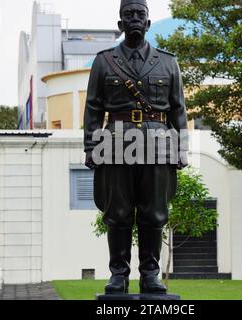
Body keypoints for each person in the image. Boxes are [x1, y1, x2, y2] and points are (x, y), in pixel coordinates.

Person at [83, 0, 188, 294]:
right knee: (117, 213)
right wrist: (91, 148)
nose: (134, 20)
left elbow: (178, 110)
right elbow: (93, 109)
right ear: (120, 24)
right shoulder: (104, 62)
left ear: (148, 23)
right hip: (115, 141)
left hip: (157, 142)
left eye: (140, 15)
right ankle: (118, 274)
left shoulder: (168, 62)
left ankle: (150, 274)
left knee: (154, 213)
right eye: (128, 15)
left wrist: (181, 149)